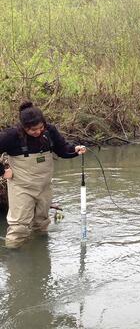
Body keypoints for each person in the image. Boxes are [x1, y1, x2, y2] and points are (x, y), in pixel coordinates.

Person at [0, 101, 86, 249]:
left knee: (41, 223)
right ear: (24, 127)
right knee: (19, 227)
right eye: (33, 130)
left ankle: (40, 257)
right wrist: (2, 171)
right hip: (21, 188)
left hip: (45, 187)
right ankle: (14, 260)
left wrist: (75, 150)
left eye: (41, 127)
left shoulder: (49, 131)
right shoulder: (10, 136)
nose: (38, 132)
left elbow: (62, 149)